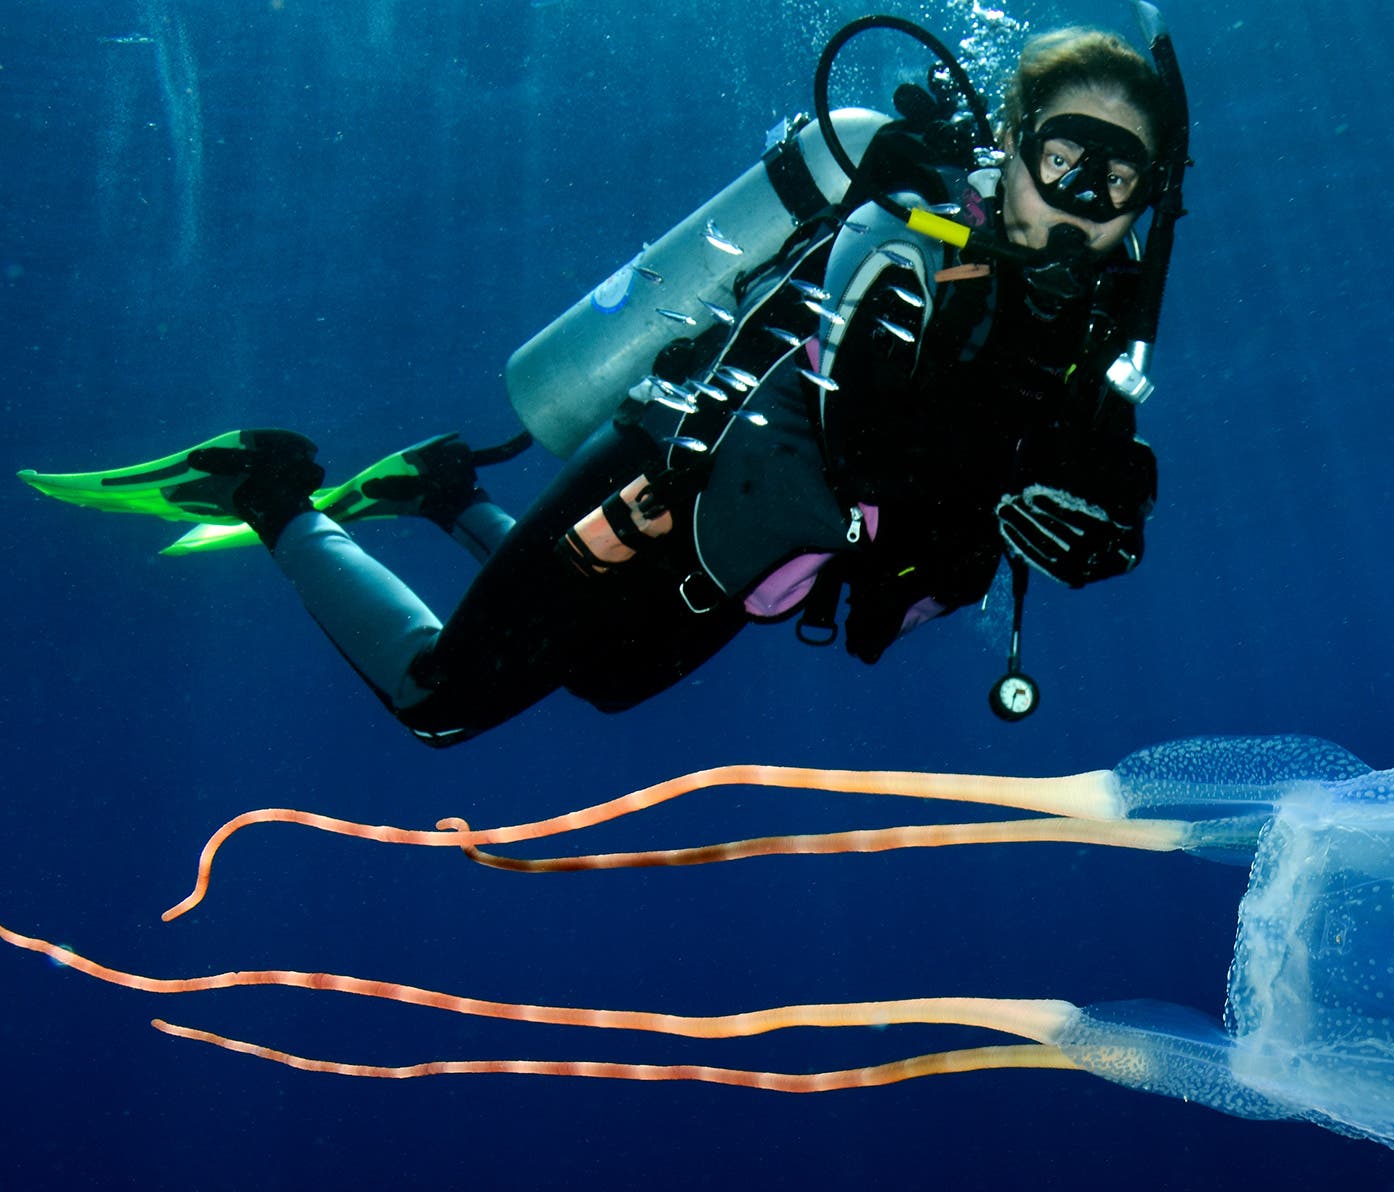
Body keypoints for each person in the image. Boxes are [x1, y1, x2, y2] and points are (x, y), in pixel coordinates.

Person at [20, 14, 1191, 747]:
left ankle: (438, 492)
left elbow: (1092, 468)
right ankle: (270, 483)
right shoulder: (909, 234)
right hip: (665, 491)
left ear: (1146, 199)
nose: (1084, 201)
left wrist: (1111, 522)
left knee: (609, 683)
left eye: (1116, 179)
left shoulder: (1095, 333)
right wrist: (1002, 491)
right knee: (443, 703)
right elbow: (868, 431)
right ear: (1012, 145)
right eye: (1064, 160)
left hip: (753, 549)